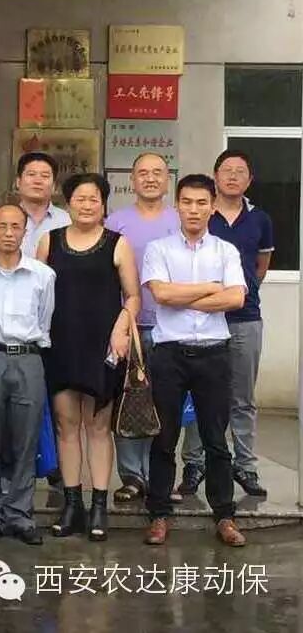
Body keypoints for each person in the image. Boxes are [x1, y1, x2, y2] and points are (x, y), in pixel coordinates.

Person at [141, 174, 248, 547]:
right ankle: (158, 514)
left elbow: (235, 298)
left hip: (213, 353)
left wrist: (183, 296)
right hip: (169, 354)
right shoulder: (158, 249)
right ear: (177, 205)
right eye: (187, 202)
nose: (194, 210)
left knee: (216, 440)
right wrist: (209, 288)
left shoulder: (225, 251)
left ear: (212, 207)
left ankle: (225, 516)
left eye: (202, 203)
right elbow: (161, 295)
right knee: (164, 437)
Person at [37, 173, 140, 542]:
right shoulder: (49, 241)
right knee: (66, 426)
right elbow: (37, 293)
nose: (86, 205)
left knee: (98, 428)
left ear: (103, 204)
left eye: (94, 199)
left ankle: (99, 505)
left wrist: (122, 329)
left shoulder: (117, 243)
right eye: (80, 198)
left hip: (104, 346)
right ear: (68, 204)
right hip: (60, 344)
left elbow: (133, 296)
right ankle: (72, 504)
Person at [179, 150, 274, 499]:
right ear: (215, 176)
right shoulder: (203, 213)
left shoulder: (260, 219)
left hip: (245, 318)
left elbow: (260, 268)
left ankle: (245, 465)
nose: (233, 176)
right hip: (201, 319)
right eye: (226, 170)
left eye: (240, 171)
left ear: (250, 179)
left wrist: (237, 294)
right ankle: (194, 463)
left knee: (242, 397)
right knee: (197, 395)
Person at [0, 204, 55, 546]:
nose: (8, 233)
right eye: (1, 226)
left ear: (25, 231)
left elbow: (45, 320)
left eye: (15, 226)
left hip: (29, 358)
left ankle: (20, 514)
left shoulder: (43, 275)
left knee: (26, 440)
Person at [104, 153, 180, 505]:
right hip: (127, 326)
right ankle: (132, 476)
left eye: (157, 173)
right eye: (143, 173)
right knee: (127, 400)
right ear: (132, 180)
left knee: (164, 404)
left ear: (167, 179)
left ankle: (159, 476)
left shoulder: (179, 220)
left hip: (170, 328)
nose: (150, 178)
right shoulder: (116, 222)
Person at [13, 152, 71, 258]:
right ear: (18, 182)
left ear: (54, 186)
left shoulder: (67, 221)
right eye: (31, 174)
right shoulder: (3, 220)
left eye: (45, 176)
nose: (38, 181)